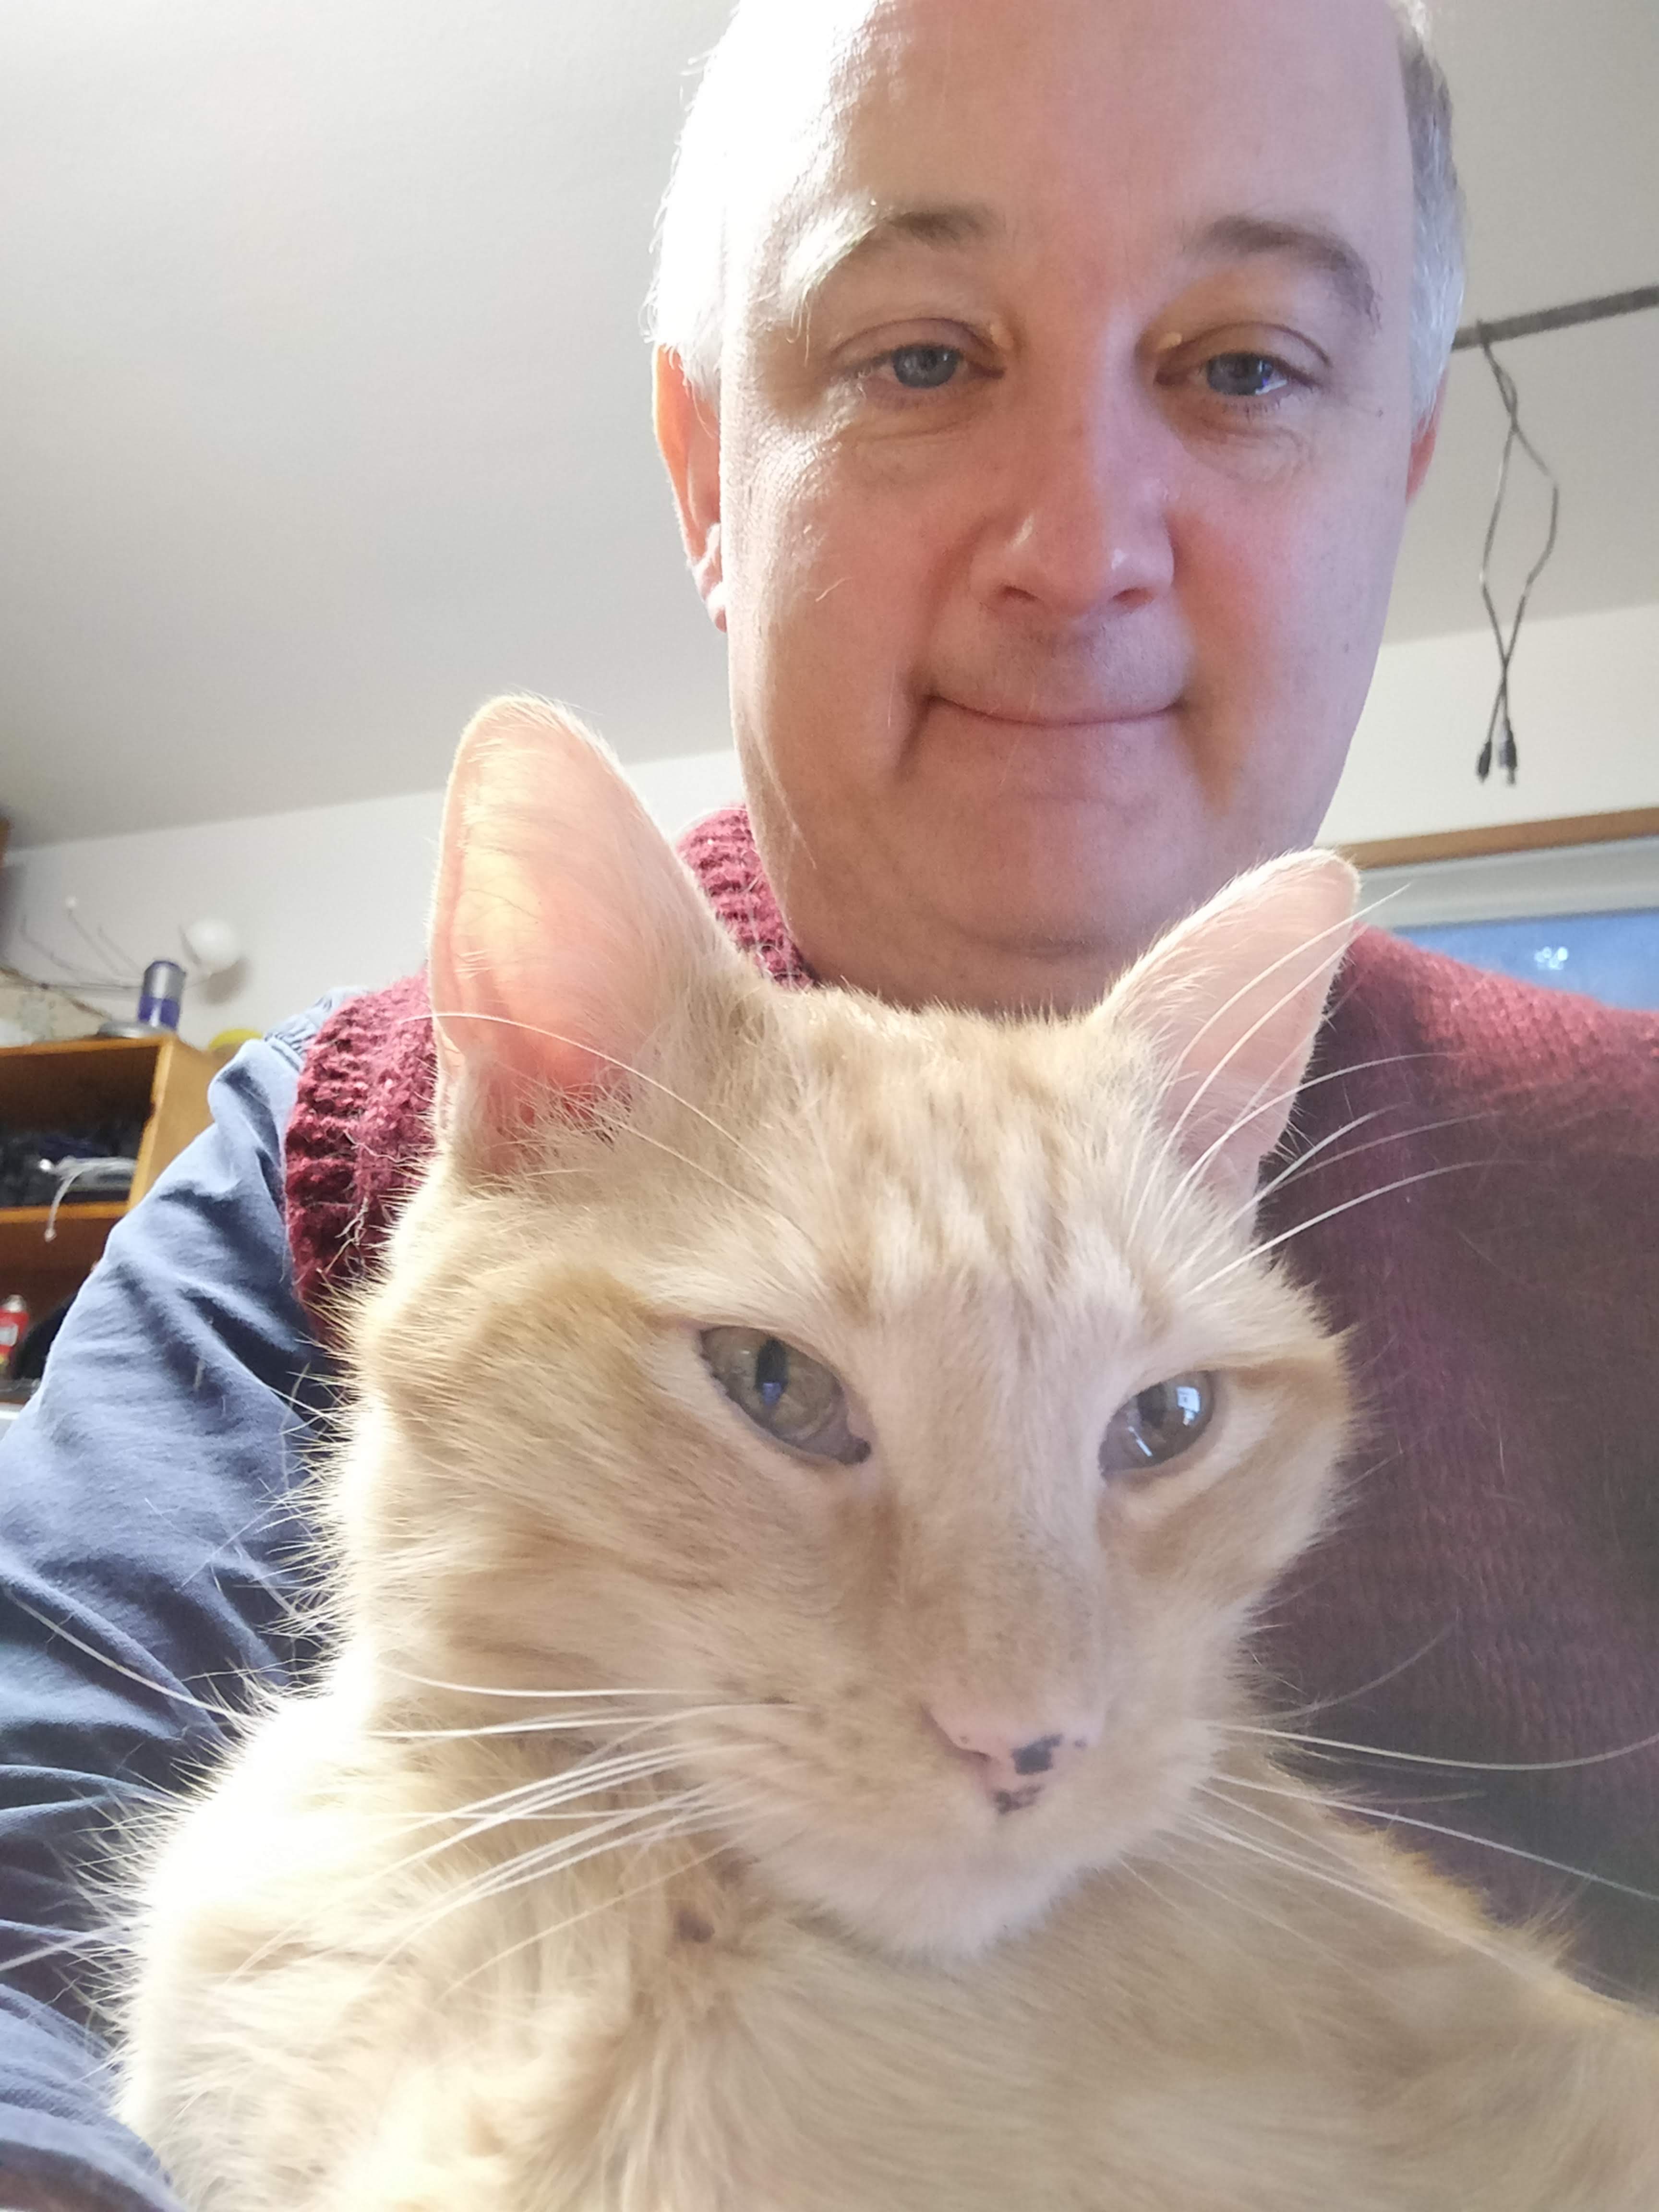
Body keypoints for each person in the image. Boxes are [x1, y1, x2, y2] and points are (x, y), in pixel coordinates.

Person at [2, 1, 1656, 2204]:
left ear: (1406, 463)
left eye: (1244, 365)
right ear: (707, 474)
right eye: (923, 356)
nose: (1080, 550)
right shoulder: (330, 1139)